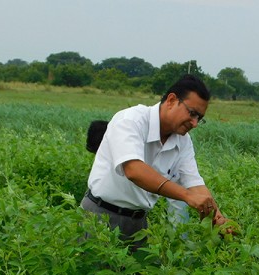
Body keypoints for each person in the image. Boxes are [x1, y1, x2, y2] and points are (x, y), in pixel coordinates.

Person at [81, 74, 228, 249]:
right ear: (172, 100)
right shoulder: (130, 120)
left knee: (138, 274)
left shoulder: (183, 141)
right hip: (101, 216)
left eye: (199, 118)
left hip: (139, 224)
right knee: (93, 273)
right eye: (192, 113)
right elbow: (134, 170)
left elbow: (193, 181)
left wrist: (217, 216)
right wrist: (187, 196)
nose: (195, 123)